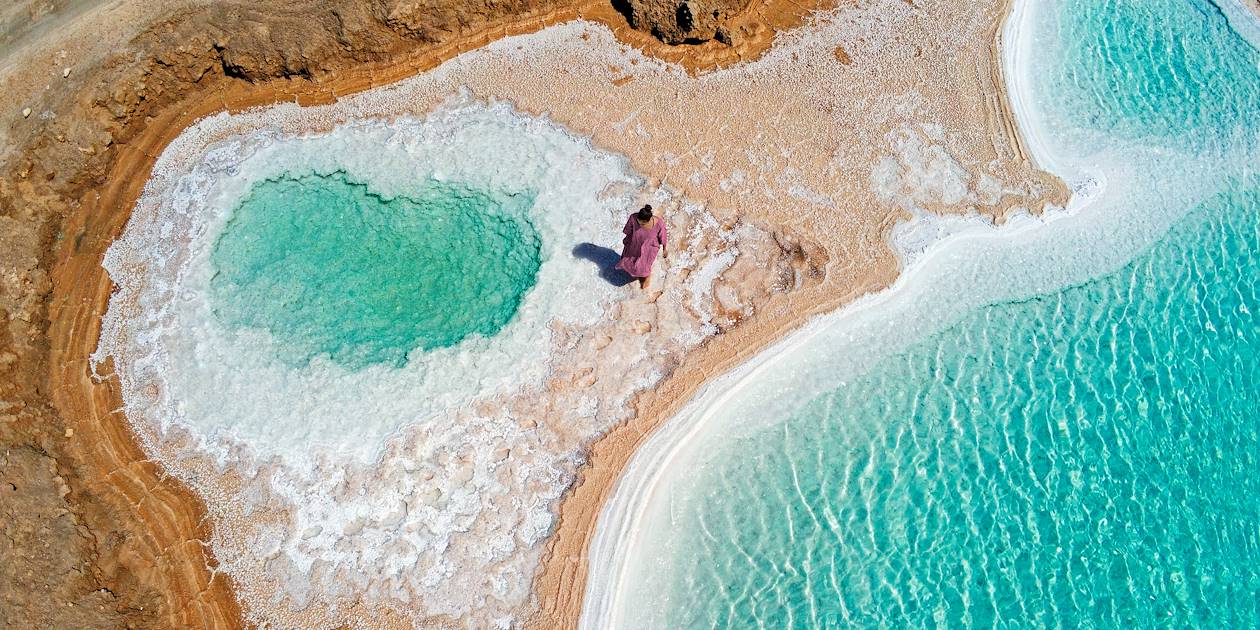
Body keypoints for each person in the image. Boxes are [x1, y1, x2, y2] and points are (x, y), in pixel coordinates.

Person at [615, 204, 668, 289]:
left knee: (644, 266)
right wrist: (626, 239)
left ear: (649, 219)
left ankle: (646, 277)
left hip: (650, 248)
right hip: (634, 243)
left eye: (643, 223)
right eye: (639, 221)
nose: (640, 224)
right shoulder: (633, 217)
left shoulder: (659, 224)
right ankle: (636, 273)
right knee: (629, 261)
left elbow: (663, 237)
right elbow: (628, 229)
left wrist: (664, 249)